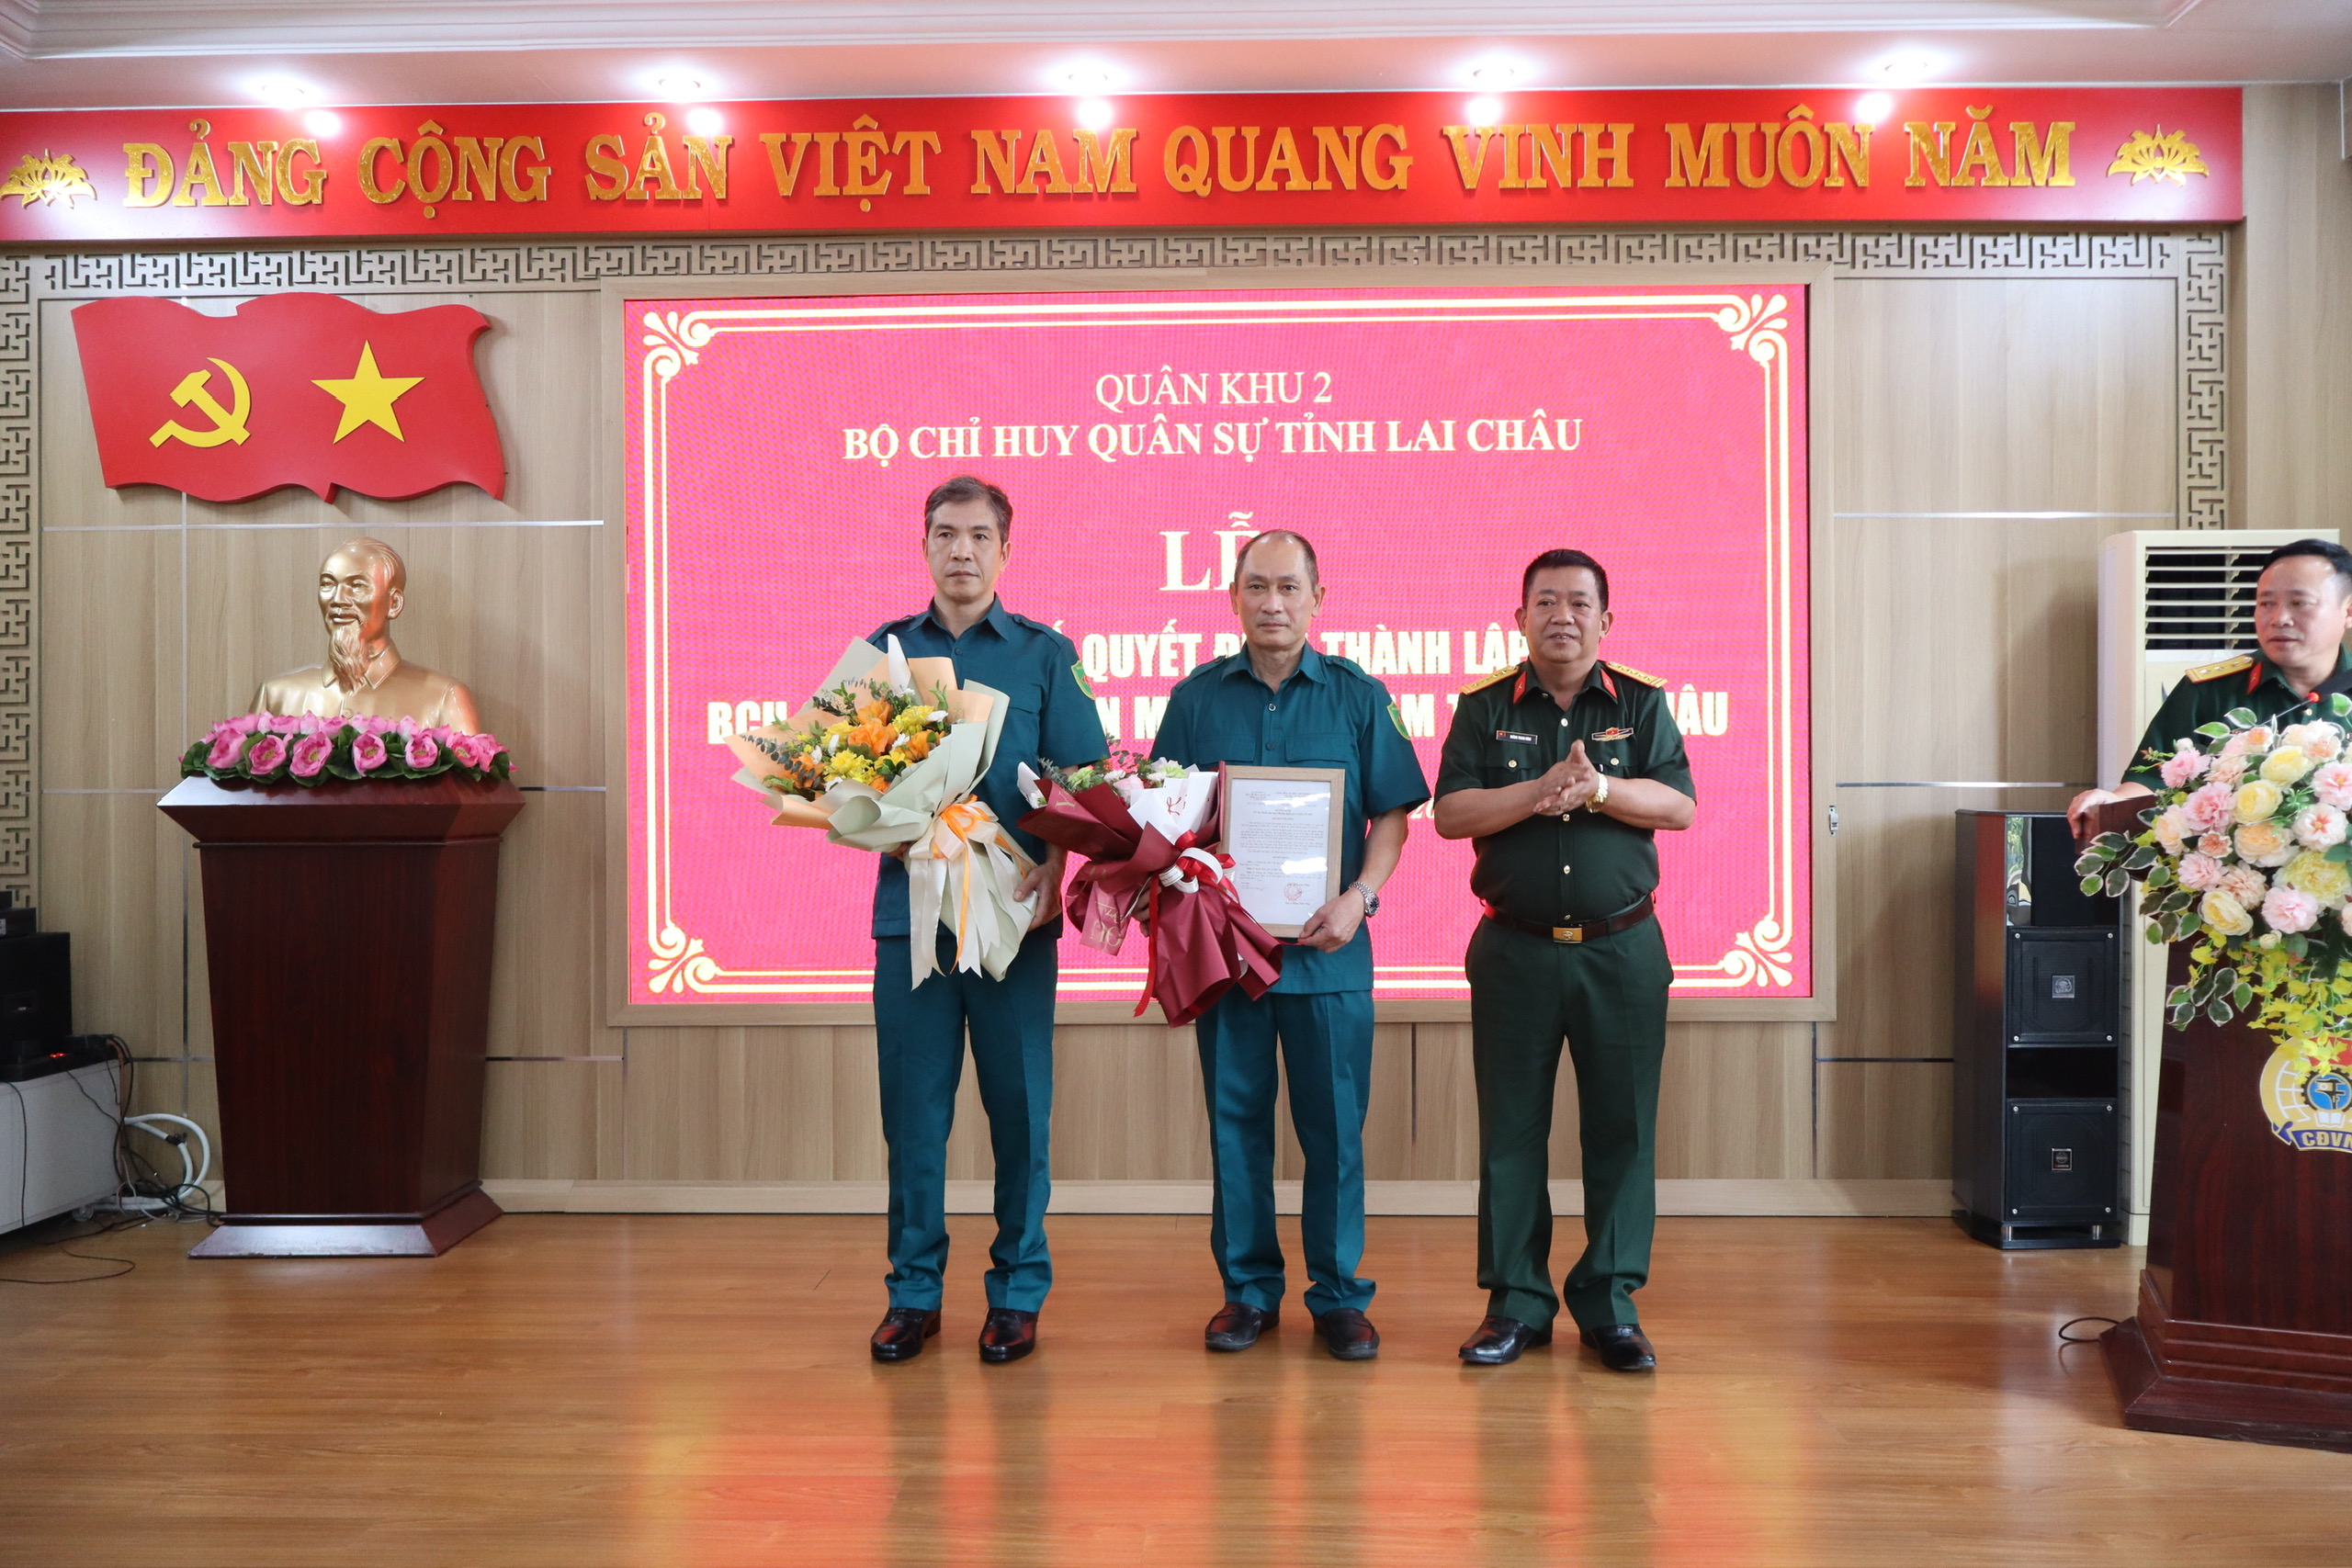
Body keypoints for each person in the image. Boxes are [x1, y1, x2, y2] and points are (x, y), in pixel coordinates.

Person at [1149, 529, 1429, 1360]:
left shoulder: (1358, 696)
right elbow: (1166, 818)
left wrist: (1360, 896)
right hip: (1229, 957)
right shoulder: (1195, 699)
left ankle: (1338, 1296)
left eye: (1289, 587)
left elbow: (1393, 816)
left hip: (1329, 957)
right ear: (1233, 597)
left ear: (1317, 598)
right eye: (1257, 587)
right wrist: (1185, 877)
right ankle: (1247, 1293)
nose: (1273, 603)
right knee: (1235, 1128)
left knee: (1334, 1133)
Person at [865, 475, 1109, 1366]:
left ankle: (1015, 1293)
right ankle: (913, 1294)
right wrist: (877, 822)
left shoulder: (1046, 654)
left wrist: (1057, 866)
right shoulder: (883, 651)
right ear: (924, 545)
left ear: (1006, 550)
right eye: (944, 534)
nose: (960, 550)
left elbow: (1085, 783)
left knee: (1019, 1114)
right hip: (914, 923)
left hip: (1012, 923)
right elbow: (846, 783)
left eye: (977, 536)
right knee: (913, 1118)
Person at [1432, 548, 1695, 1373]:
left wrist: (1601, 790)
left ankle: (1611, 1305)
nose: (1562, 616)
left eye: (1579, 602)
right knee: (1511, 1132)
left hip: (1624, 950)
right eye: (1545, 601)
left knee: (1624, 1131)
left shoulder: (1641, 702)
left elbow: (1678, 805)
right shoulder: (1483, 707)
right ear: (1519, 618)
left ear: (1605, 620)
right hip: (1514, 950)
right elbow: (1450, 813)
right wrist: (1542, 788)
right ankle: (1516, 1303)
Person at [2070, 537, 2352, 840]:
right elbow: (2153, 782)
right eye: (2266, 603)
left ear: (2348, 611)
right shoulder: (2209, 690)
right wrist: (2111, 801)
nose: (2279, 618)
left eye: (2299, 603)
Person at [252, 536, 481, 731]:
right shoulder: (276, 696)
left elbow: (467, 770)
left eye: (357, 586)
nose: (338, 599)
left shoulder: (443, 698)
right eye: (328, 584)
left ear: (394, 603)